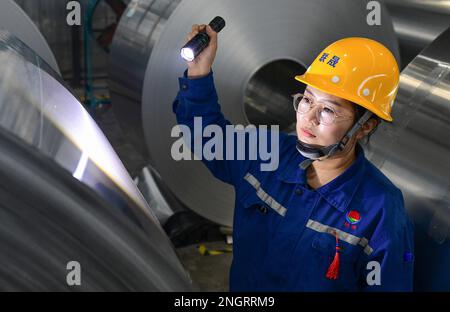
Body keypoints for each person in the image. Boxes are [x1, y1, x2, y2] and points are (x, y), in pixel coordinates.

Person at [172, 24, 414, 291]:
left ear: (365, 126)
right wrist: (198, 70)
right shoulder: (268, 154)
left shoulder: (380, 210)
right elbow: (208, 137)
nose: (308, 118)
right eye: (307, 100)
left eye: (328, 111)